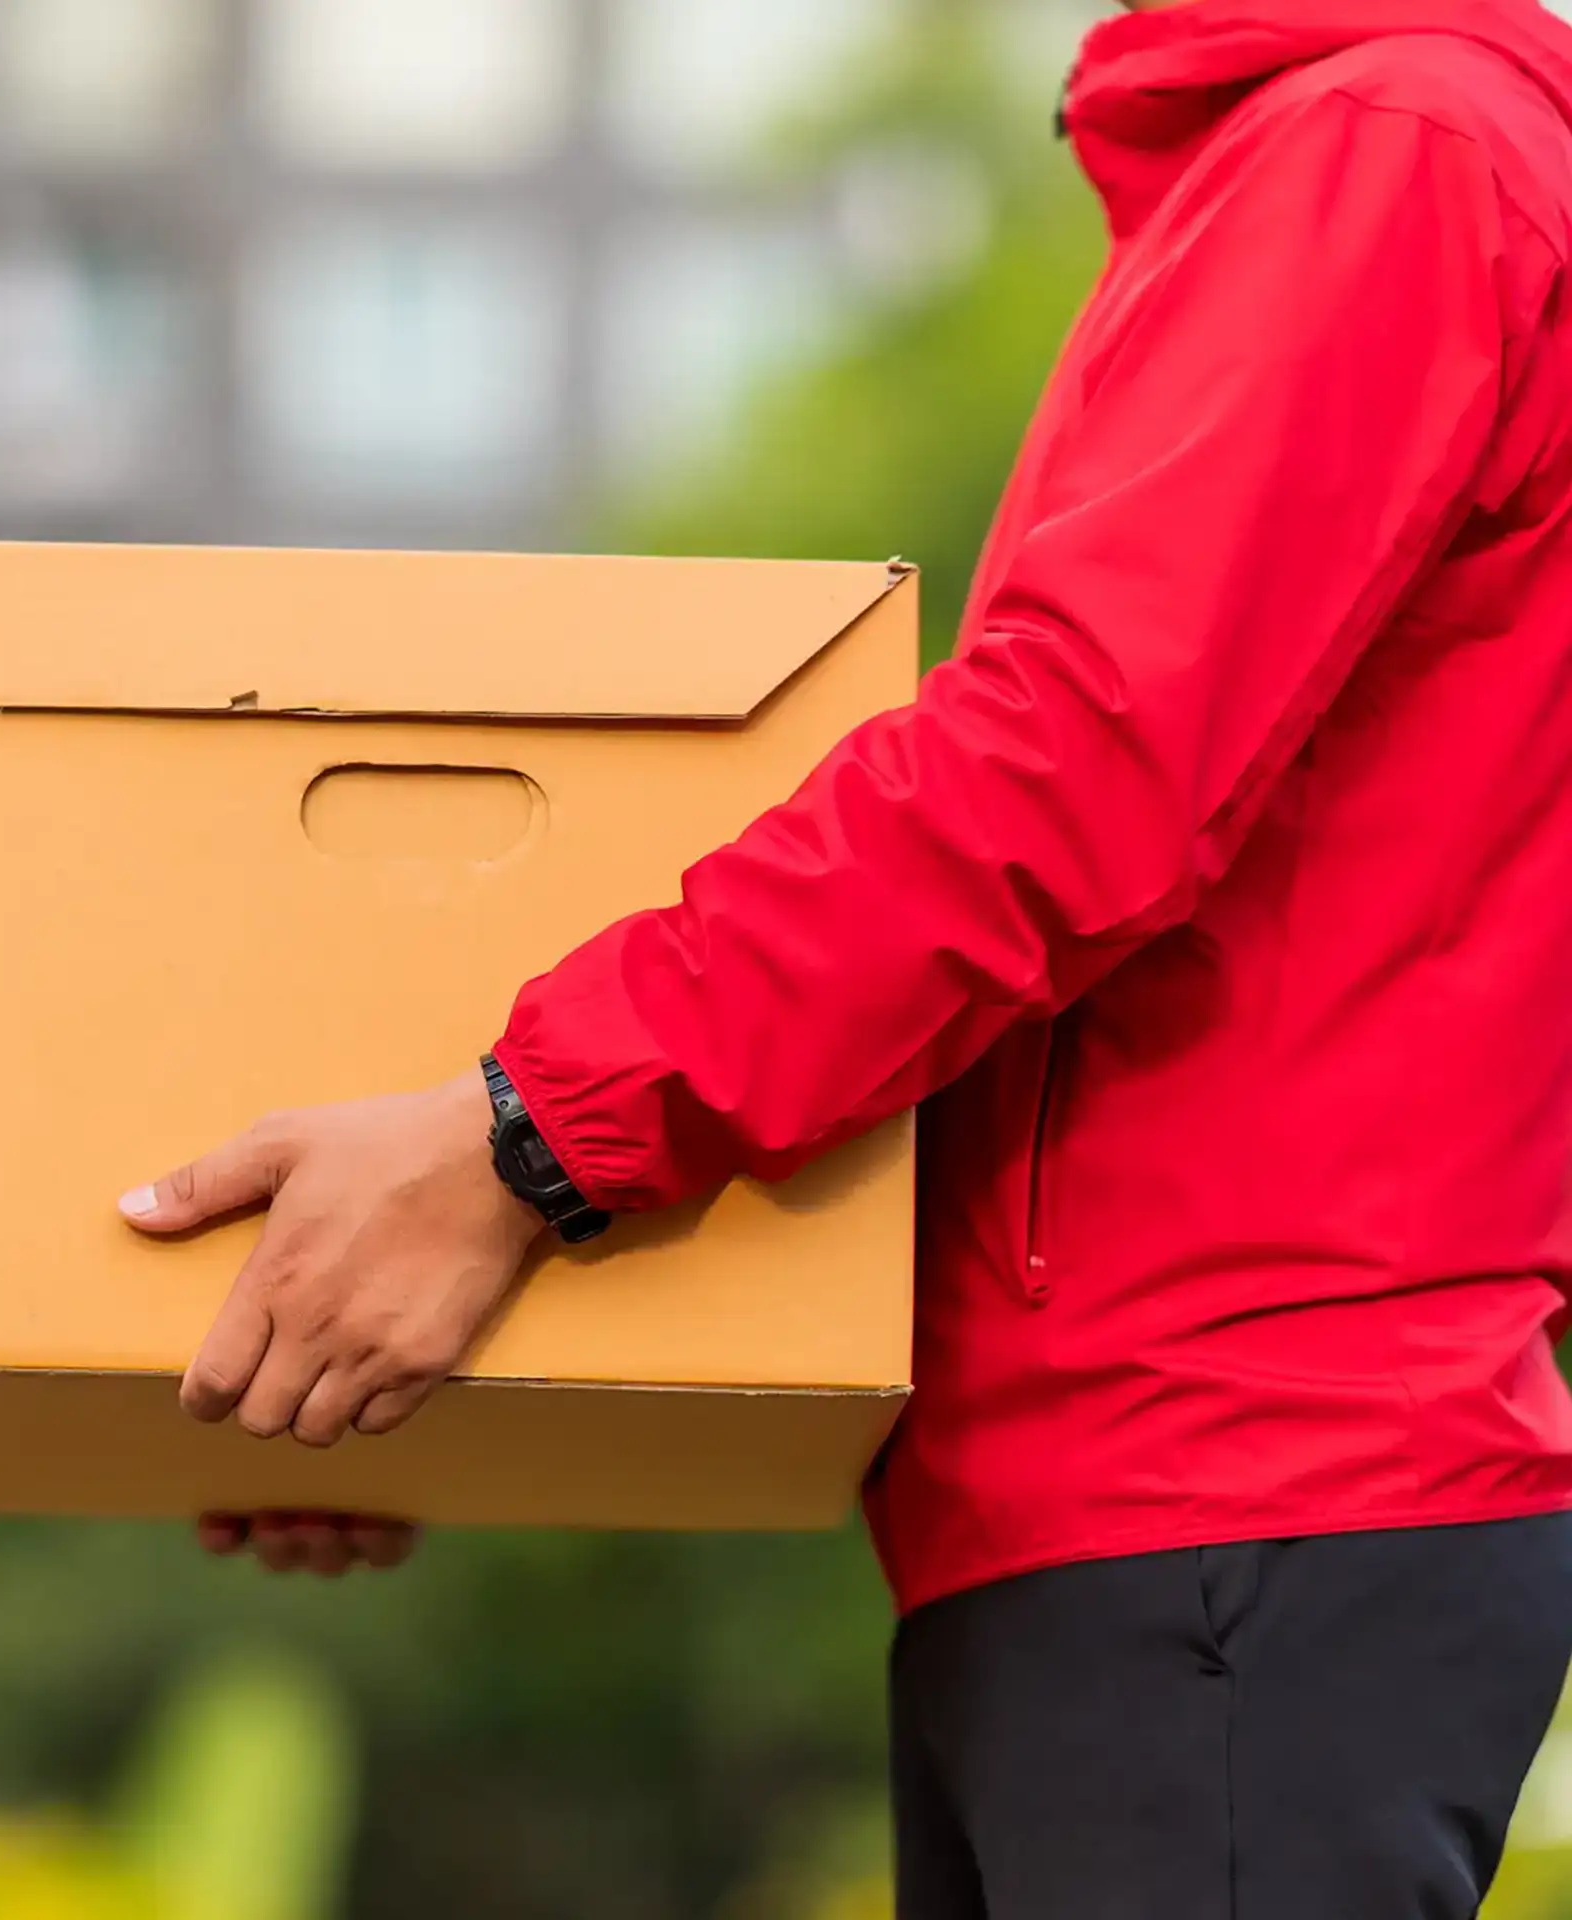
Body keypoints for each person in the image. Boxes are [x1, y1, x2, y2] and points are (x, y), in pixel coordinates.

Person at [114, 0, 1572, 1911]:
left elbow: (1068, 770)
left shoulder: (1392, 150)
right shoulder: (1327, 160)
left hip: (1230, 1490)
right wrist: (405, 1328)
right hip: (1125, 1514)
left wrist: (520, 1141)